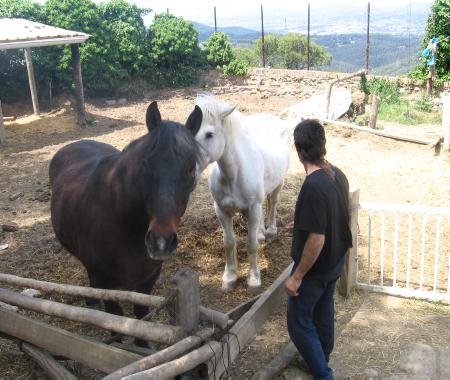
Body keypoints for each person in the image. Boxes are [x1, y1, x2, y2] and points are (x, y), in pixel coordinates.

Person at [284, 119, 352, 380]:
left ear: (299, 151)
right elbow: (334, 212)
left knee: (299, 323)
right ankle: (320, 359)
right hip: (335, 261)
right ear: (322, 145)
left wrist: (297, 276)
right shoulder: (337, 173)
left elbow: (317, 240)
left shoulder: (313, 185)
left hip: (316, 269)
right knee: (324, 312)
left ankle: (323, 374)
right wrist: (302, 221)